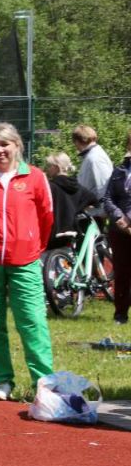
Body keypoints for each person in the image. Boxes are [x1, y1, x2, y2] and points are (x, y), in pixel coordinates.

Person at [0, 122, 55, 401]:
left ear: (17, 145)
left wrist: (29, 246)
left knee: (32, 321)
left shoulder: (36, 178)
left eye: (5, 144)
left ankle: (44, 384)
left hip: (24, 261)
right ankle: (2, 380)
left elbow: (46, 217)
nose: (0, 150)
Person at [99, 130, 131, 325]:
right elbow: (107, 198)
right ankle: (120, 314)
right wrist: (119, 217)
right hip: (120, 231)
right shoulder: (119, 171)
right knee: (122, 272)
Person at [43, 152, 98, 249]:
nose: (47, 169)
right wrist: (78, 209)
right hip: (73, 230)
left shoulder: (50, 187)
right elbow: (94, 201)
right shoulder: (78, 187)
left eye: (49, 166)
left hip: (53, 232)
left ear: (56, 167)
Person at [73, 124, 113, 230]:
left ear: (77, 141)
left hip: (95, 215)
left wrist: (103, 211)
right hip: (90, 213)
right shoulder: (91, 156)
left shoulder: (95, 158)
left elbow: (104, 186)